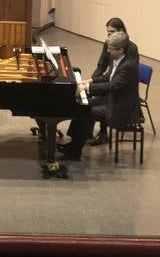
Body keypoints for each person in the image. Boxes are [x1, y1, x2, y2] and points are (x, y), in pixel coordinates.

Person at [57, 31, 141, 161]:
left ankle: (74, 151)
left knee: (86, 110)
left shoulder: (128, 66)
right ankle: (74, 145)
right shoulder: (117, 60)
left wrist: (87, 88)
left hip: (122, 109)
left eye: (111, 48)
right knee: (84, 105)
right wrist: (88, 81)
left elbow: (113, 86)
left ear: (120, 50)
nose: (108, 51)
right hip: (114, 100)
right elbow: (108, 77)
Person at [88, 17, 139, 145]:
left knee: (99, 97)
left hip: (121, 91)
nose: (109, 35)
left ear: (121, 31)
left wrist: (94, 86)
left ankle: (103, 132)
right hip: (112, 81)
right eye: (108, 32)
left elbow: (121, 79)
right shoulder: (109, 44)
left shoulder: (131, 49)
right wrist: (92, 81)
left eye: (112, 32)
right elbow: (102, 65)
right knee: (88, 97)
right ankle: (86, 133)